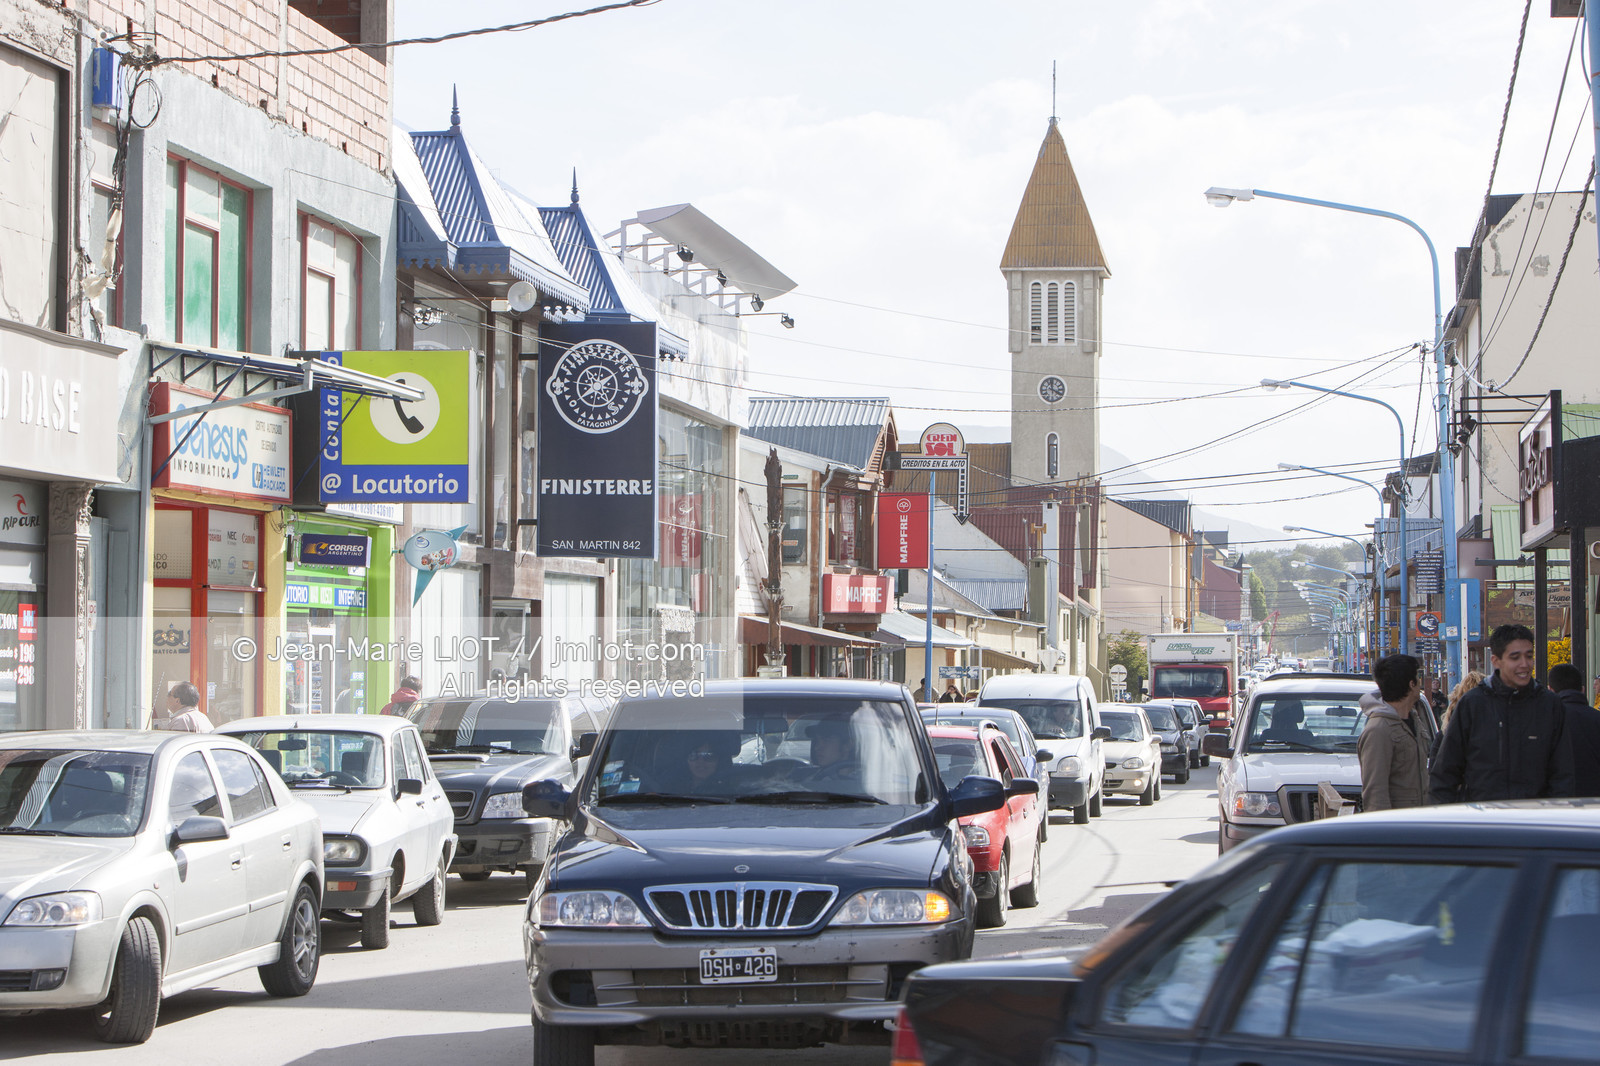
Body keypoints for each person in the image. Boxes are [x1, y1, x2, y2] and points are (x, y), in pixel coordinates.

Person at [1429, 624, 1575, 804]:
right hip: (1483, 824)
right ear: (1496, 661)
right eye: (1515, 657)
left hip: (1537, 823)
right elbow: (1445, 774)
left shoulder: (1549, 705)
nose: (1525, 664)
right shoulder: (1473, 704)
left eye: (1529, 656)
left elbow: (1563, 774)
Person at [1358, 654, 1430, 812]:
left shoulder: (1414, 719)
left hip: (1421, 821)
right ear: (1412, 684)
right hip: (1398, 826)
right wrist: (1387, 832)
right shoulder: (1379, 729)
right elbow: (1375, 791)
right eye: (1418, 678)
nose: (1420, 684)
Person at [1548, 663, 1600, 798]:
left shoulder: (1544, 721)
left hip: (1556, 805)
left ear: (1550, 690)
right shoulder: (1596, 718)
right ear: (1582, 690)